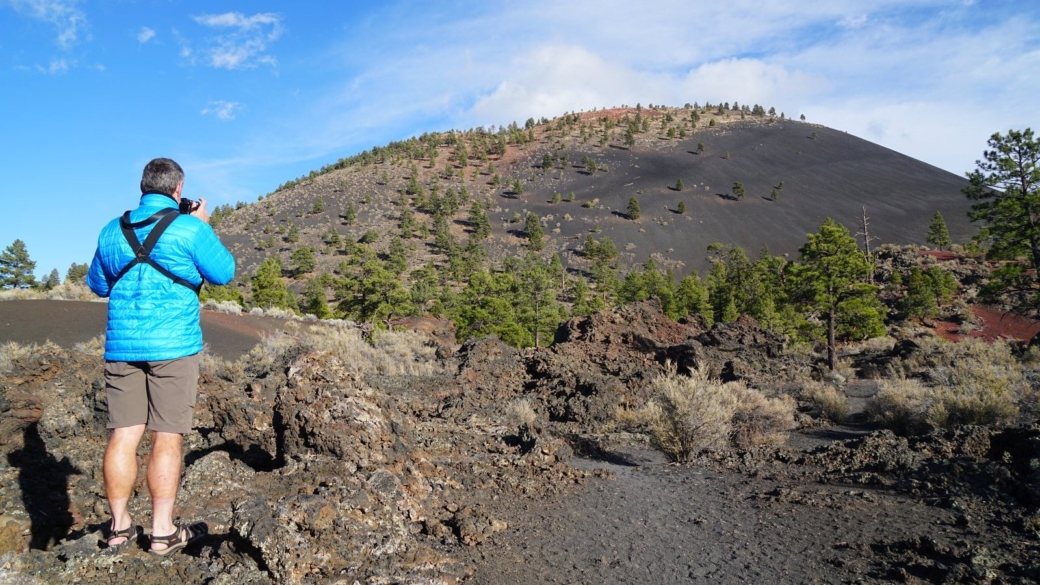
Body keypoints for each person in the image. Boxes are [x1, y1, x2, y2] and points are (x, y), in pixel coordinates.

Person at [87, 158, 235, 555]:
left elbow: (97, 284)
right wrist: (202, 224)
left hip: (122, 347)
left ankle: (118, 529)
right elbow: (223, 272)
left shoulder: (111, 231)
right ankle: (163, 532)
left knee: (123, 434)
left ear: (142, 185)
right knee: (166, 435)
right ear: (178, 187)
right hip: (173, 346)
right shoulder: (189, 228)